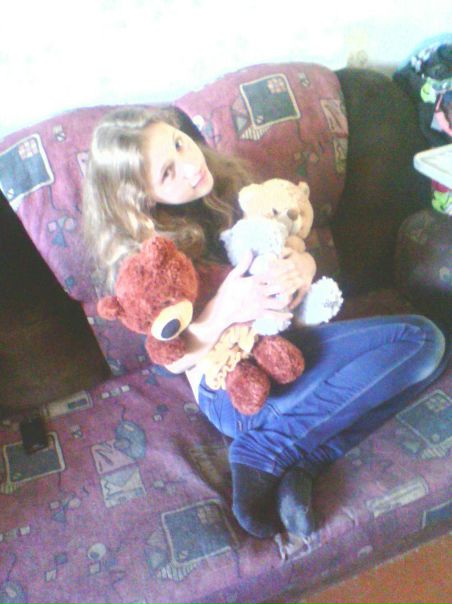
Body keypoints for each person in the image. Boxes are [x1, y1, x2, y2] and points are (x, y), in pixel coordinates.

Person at [83, 106, 447, 540]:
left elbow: (291, 245)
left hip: (288, 349)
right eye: (167, 172)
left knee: (429, 358)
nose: (190, 165)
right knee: (422, 341)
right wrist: (226, 308)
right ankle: (264, 449)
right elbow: (171, 357)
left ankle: (306, 462)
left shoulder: (230, 185)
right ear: (141, 198)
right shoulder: (148, 258)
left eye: (179, 143)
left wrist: (304, 267)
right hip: (234, 389)